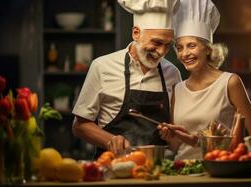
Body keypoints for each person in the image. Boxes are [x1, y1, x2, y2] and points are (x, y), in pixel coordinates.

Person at [72, 0, 182, 158]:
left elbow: (175, 131)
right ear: (136, 33)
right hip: (112, 167)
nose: (162, 52)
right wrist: (110, 140)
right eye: (157, 43)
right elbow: (79, 125)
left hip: (157, 170)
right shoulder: (102, 67)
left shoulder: (172, 73)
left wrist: (171, 135)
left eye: (168, 45)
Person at [158, 0, 251, 160]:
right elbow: (176, 146)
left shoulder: (230, 82)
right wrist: (170, 138)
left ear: (207, 48)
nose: (184, 54)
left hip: (221, 170)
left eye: (191, 45)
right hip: (183, 172)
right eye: (179, 47)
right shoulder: (177, 90)